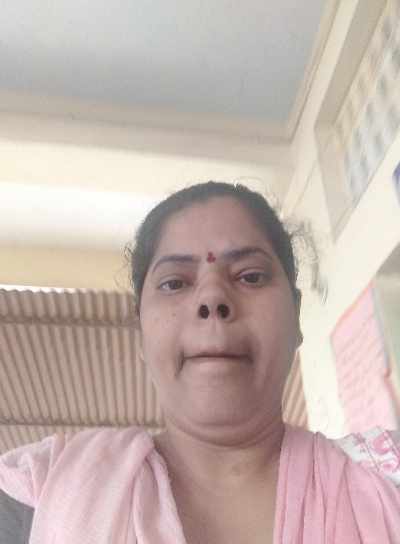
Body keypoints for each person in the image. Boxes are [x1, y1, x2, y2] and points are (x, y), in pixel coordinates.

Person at [1, 181, 400, 543]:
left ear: (295, 316)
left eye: (250, 276)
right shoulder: (37, 494)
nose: (212, 297)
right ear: (141, 330)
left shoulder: (387, 481)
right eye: (174, 283)